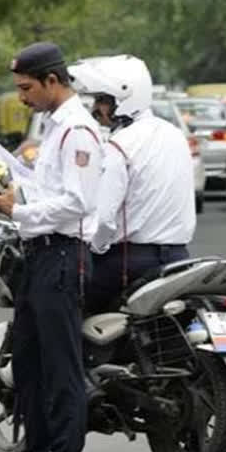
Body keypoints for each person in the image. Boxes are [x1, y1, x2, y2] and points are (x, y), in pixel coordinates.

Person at [0, 42, 103, 452]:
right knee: (28, 364)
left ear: (52, 81)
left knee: (60, 367)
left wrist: (20, 211)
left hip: (62, 255)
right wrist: (15, 187)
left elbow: (79, 203)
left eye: (27, 87)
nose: (22, 97)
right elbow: (49, 188)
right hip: (38, 254)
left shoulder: (78, 131)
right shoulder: (53, 128)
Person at [68, 55, 196, 314]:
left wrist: (95, 246)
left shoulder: (120, 145)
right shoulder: (175, 135)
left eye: (102, 100)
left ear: (124, 99)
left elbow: (104, 220)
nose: (96, 108)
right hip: (179, 258)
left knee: (67, 304)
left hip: (129, 263)